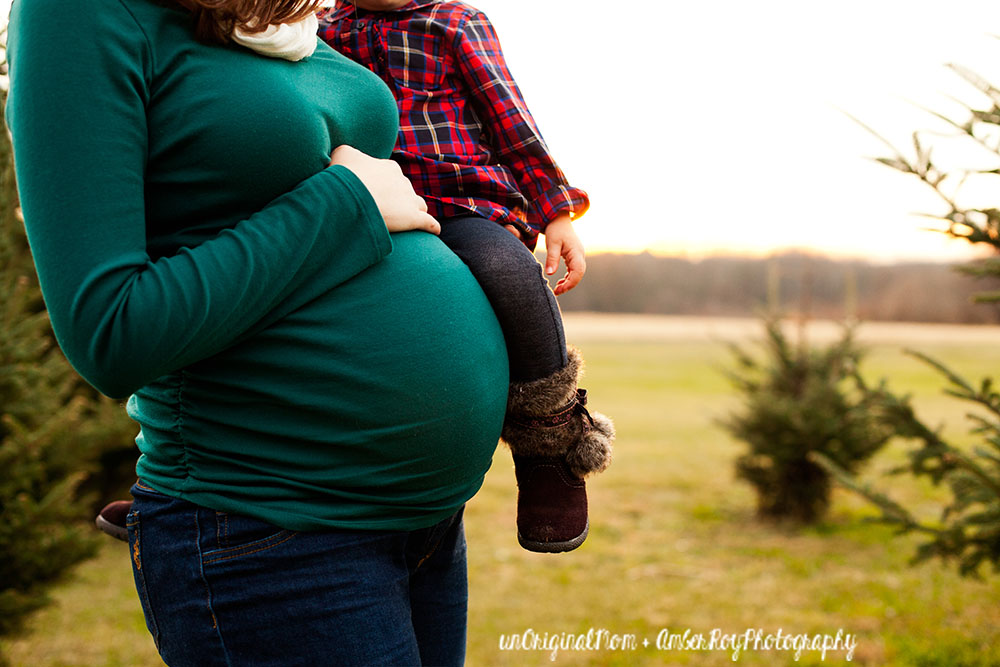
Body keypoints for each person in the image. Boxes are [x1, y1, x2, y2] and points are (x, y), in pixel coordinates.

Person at [5, 0, 511, 661]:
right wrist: (347, 203)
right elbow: (109, 327)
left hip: (423, 523)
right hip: (270, 531)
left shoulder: (273, 13)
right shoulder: (78, 14)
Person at [319, 0, 615, 553]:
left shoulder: (454, 22)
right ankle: (180, 480)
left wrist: (554, 212)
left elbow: (511, 119)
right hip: (366, 200)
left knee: (508, 273)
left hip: (461, 204)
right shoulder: (320, 30)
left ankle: (549, 444)